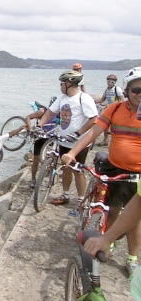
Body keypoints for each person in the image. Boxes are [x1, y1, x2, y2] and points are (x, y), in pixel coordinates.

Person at [62, 66, 141, 279]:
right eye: (136, 90)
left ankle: (132, 258)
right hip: (115, 168)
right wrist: (73, 152)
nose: (140, 95)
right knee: (113, 210)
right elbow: (93, 132)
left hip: (137, 174)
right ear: (127, 90)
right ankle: (110, 241)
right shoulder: (115, 109)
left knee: (135, 219)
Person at [38, 70, 98, 205]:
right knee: (65, 167)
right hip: (64, 141)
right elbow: (49, 112)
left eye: (61, 84)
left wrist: (77, 133)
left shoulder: (84, 98)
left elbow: (93, 119)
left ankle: (81, 199)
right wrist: (40, 125)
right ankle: (65, 195)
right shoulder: (62, 98)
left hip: (79, 142)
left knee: (78, 170)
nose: (60, 86)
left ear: (68, 84)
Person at [25, 97, 60, 188]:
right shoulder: (43, 111)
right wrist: (30, 129)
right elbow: (28, 117)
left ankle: (51, 174)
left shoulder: (60, 114)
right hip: (40, 137)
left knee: (52, 158)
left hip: (51, 138)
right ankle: (33, 179)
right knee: (36, 159)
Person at [95, 73, 125, 146]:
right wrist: (97, 101)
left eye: (112, 81)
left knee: (115, 126)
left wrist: (115, 105)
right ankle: (105, 140)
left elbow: (122, 100)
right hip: (108, 109)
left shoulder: (117, 89)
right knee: (106, 124)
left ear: (114, 82)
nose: (110, 83)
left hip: (116, 109)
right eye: (108, 81)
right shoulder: (106, 90)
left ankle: (117, 141)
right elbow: (103, 99)